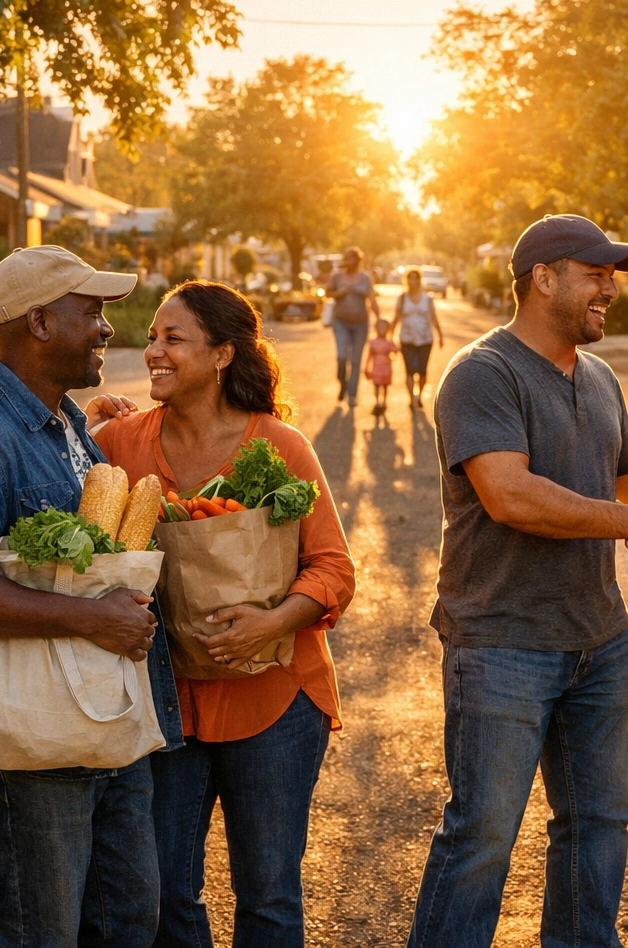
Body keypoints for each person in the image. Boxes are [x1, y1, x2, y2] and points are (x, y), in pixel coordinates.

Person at [408, 213, 628, 948]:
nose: (610, 289)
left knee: (598, 826)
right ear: (542, 279)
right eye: (595, 274)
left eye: (612, 274)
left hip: (597, 642)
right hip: (500, 642)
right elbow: (511, 495)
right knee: (482, 838)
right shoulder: (482, 373)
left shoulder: (599, 376)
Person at [0, 246, 183, 948]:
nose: (108, 330)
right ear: (41, 325)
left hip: (103, 727)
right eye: (91, 314)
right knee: (41, 932)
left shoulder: (65, 425)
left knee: (126, 922)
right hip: (33, 747)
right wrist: (91, 618)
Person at [90, 280, 355, 948]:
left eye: (172, 338)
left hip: (274, 701)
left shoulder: (281, 445)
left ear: (222, 355)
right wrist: (85, 427)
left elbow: (333, 568)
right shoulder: (120, 442)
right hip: (164, 704)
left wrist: (273, 621)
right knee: (165, 893)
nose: (153, 350)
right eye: (151, 336)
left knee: (267, 894)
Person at [328, 246, 379, 408]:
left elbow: (371, 297)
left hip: (360, 324)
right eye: (346, 258)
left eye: (351, 259)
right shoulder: (337, 276)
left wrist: (379, 318)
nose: (348, 262)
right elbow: (327, 293)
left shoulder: (365, 277)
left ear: (357, 260)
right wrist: (339, 293)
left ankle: (352, 395)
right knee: (342, 357)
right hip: (341, 322)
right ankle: (342, 381)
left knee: (356, 360)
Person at [396, 267, 444, 408]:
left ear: (419, 280)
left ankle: (420, 395)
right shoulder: (402, 298)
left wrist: (440, 335)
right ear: (407, 280)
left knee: (422, 371)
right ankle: (411, 399)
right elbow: (396, 318)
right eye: (410, 278)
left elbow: (434, 318)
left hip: (425, 339)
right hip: (407, 339)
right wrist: (388, 336)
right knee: (410, 370)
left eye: (415, 278)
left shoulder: (427, 299)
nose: (413, 281)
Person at [365, 317, 397, 416]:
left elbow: (396, 350)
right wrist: (366, 367)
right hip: (376, 367)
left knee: (385, 385)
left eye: (384, 327)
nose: (382, 329)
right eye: (380, 327)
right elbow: (369, 355)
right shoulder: (372, 341)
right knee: (377, 385)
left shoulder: (389, 341)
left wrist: (393, 356)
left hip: (386, 366)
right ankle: (377, 402)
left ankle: (384, 401)